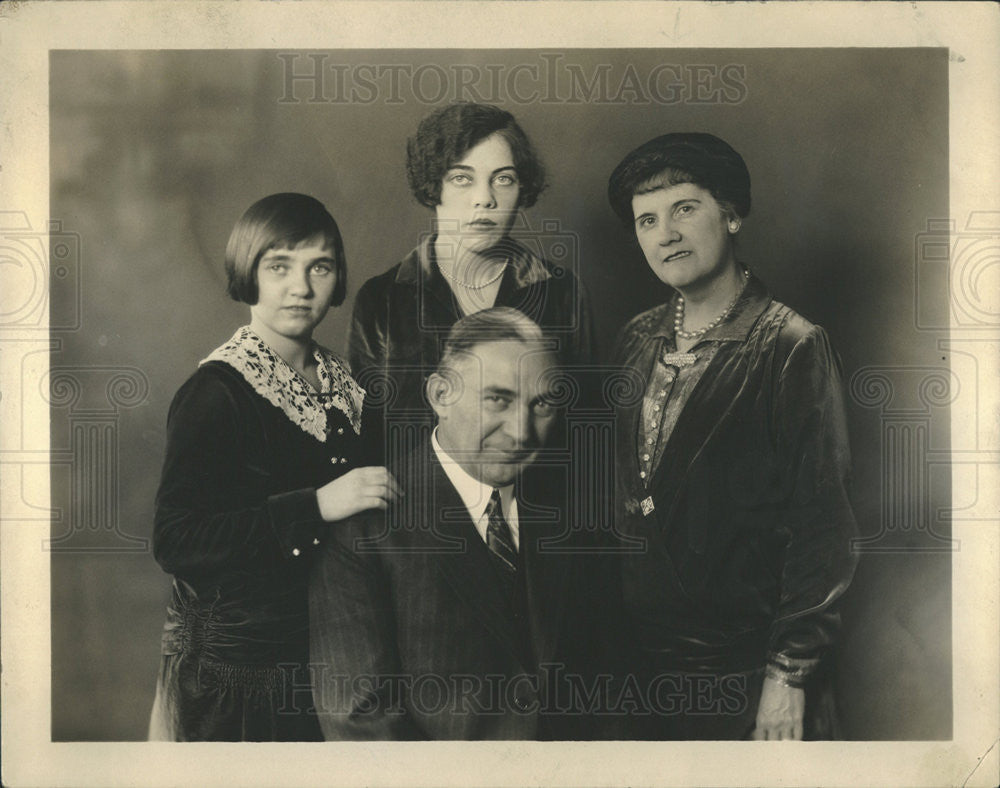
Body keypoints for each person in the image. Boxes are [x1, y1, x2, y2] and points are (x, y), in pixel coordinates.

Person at [606, 133, 858, 740]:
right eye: (647, 219)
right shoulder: (634, 340)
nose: (665, 233)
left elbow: (822, 525)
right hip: (642, 669)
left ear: (733, 213)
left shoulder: (791, 345)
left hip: (749, 670)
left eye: (684, 209)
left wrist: (788, 673)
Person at [148, 193, 400, 741]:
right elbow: (176, 540)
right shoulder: (217, 391)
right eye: (279, 266)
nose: (301, 287)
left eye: (321, 266)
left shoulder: (344, 384)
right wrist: (316, 506)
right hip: (239, 679)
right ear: (249, 273)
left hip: (331, 661)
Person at [309, 307, 615, 740]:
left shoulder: (574, 513)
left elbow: (610, 681)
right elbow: (360, 719)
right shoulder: (364, 527)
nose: (522, 431)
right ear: (440, 396)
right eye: (498, 399)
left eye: (542, 403)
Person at [348, 102, 594, 447]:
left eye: (503, 179)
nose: (484, 199)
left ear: (521, 189)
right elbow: (370, 439)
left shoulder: (562, 292)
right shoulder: (382, 298)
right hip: (418, 497)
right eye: (462, 178)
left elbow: (581, 430)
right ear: (435, 187)